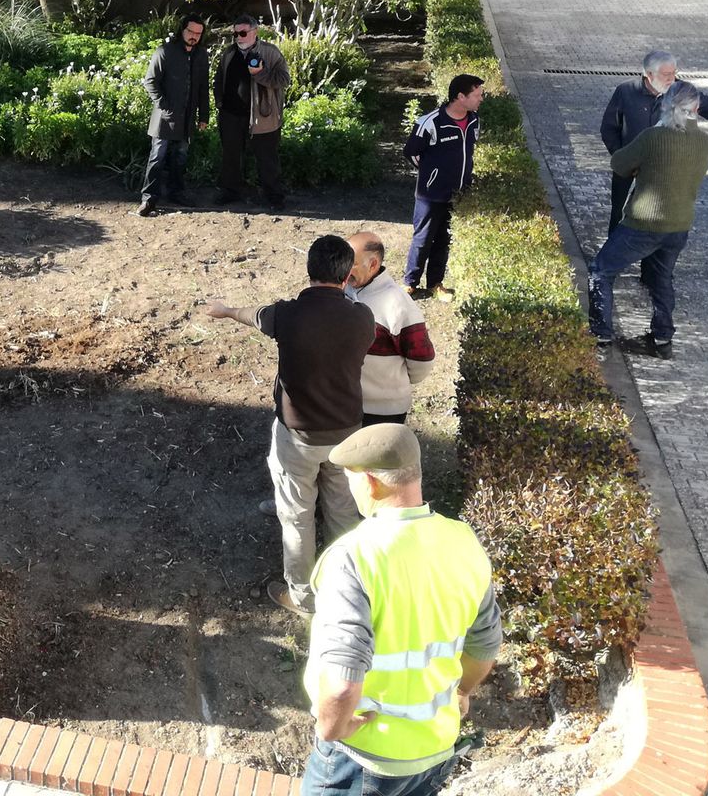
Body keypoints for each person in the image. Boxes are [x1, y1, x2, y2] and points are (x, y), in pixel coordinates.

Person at [301, 423, 502, 796]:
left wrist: (331, 728)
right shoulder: (464, 541)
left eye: (351, 479)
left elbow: (343, 683)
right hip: (434, 747)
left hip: (364, 757)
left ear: (371, 483)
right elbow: (485, 645)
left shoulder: (354, 558)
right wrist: (461, 691)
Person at [204, 235, 374, 614]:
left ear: (309, 269)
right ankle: (348, 589)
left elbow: (254, 314)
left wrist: (227, 310)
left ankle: (303, 597)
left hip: (297, 437)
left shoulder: (286, 315)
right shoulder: (363, 318)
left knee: (297, 517)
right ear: (347, 275)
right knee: (343, 512)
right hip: (347, 435)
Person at [589, 81, 708, 359]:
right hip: (679, 224)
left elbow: (619, 164)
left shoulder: (653, 137)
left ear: (665, 106)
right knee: (661, 279)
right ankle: (662, 339)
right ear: (696, 108)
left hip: (644, 224)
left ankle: (601, 334)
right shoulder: (705, 142)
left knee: (600, 270)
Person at [600, 49, 708, 232]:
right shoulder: (626, 91)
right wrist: (623, 158)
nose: (671, 79)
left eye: (674, 73)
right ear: (649, 74)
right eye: (666, 74)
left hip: (662, 169)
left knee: (654, 218)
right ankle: (612, 248)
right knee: (618, 212)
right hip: (628, 165)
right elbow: (608, 128)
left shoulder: (682, 93)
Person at [402, 74, 484, 300]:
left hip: (458, 195)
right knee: (422, 239)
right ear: (460, 97)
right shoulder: (430, 122)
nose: (481, 99)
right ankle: (410, 283)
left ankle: (435, 283)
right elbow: (410, 152)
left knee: (444, 240)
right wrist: (431, 174)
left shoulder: (474, 120)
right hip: (431, 195)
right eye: (477, 95)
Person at [345, 233, 436, 426]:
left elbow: (422, 360)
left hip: (382, 414)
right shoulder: (340, 290)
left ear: (373, 264)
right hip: (345, 405)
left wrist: (389, 387)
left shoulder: (398, 304)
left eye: (351, 263)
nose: (344, 269)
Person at [213, 14, 290, 209]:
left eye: (243, 33)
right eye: (235, 33)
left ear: (255, 32)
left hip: (262, 116)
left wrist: (260, 74)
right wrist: (220, 103)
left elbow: (284, 80)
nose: (238, 37)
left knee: (267, 157)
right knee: (231, 156)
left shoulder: (270, 52)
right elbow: (219, 79)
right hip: (231, 115)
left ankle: (274, 196)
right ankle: (231, 191)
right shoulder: (229, 52)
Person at [139, 12, 210, 216]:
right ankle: (148, 199)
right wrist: (165, 107)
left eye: (198, 33)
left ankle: (176, 192)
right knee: (157, 157)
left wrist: (204, 115)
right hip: (164, 116)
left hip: (188, 116)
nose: (194, 36)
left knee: (180, 156)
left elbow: (202, 87)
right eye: (190, 31)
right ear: (182, 30)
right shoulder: (165, 51)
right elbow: (150, 82)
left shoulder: (201, 55)